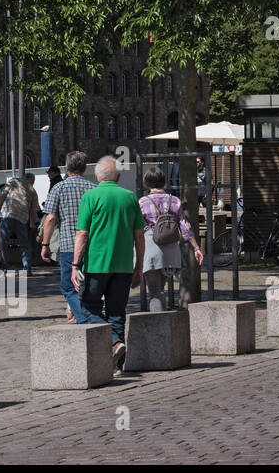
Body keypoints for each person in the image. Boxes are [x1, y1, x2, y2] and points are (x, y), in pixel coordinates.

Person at [72, 156, 145, 375]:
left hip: (96, 264)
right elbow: (139, 236)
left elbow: (82, 233)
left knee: (88, 306)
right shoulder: (130, 198)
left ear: (96, 175)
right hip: (123, 265)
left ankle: (113, 342)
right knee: (117, 312)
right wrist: (138, 267)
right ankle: (116, 364)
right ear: (119, 176)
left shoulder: (90, 196)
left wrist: (75, 265)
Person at [40, 152, 95, 324]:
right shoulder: (93, 189)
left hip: (68, 245)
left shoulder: (59, 188)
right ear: (85, 168)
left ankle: (86, 319)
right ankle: (84, 314)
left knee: (69, 286)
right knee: (88, 285)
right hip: (91, 245)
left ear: (66, 167)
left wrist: (45, 244)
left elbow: (50, 218)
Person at [138, 167, 203, 312]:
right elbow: (185, 226)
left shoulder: (143, 202)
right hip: (171, 249)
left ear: (147, 183)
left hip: (151, 248)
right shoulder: (174, 200)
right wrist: (196, 248)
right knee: (161, 288)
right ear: (163, 182)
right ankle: (164, 322)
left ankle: (159, 325)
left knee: (154, 291)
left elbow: (136, 228)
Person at [0, 176, 33, 275]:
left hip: (7, 214)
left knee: (2, 243)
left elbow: (2, 196)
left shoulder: (12, 181)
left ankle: (4, 268)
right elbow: (33, 210)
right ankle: (27, 269)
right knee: (24, 244)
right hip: (22, 218)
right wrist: (32, 223)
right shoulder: (32, 189)